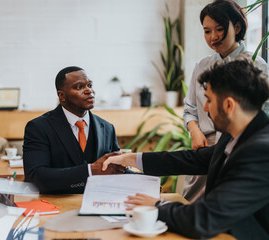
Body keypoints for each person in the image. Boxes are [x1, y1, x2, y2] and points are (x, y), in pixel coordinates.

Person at [102, 59, 269, 239]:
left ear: (229, 105)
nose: (204, 108)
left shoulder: (260, 151)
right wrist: (131, 158)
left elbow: (204, 219)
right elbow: (194, 159)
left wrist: (157, 205)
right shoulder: (237, 135)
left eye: (209, 100)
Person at [182, 0, 268, 202]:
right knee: (190, 207)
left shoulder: (256, 66)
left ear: (237, 27)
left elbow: (262, 116)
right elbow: (190, 108)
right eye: (207, 31)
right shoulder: (202, 66)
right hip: (204, 148)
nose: (213, 37)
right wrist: (194, 130)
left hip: (239, 151)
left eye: (219, 29)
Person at [23, 66, 124, 194]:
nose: (89, 90)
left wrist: (146, 180)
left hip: (100, 202)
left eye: (90, 85)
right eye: (79, 87)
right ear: (62, 96)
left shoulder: (107, 128)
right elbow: (35, 177)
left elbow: (116, 169)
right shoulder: (38, 127)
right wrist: (89, 171)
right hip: (57, 205)